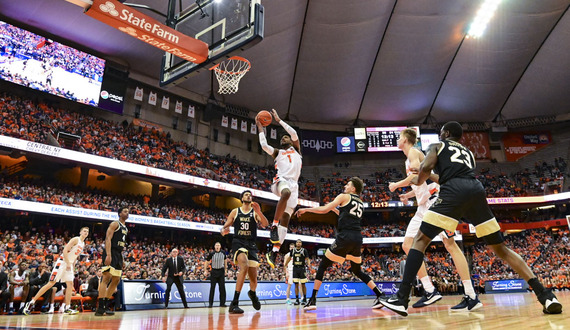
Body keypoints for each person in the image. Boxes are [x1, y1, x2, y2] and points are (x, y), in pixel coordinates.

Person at [380, 121, 563, 316]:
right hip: (476, 190)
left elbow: (423, 176)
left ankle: (402, 298)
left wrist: (413, 177)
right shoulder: (468, 153)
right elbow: (444, 177)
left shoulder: (437, 146)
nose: (440, 135)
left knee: (420, 240)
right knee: (501, 249)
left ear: (447, 133)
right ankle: (545, 295)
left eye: (442, 132)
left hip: (452, 193)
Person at [388, 128, 480, 311]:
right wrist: (408, 195)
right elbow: (420, 182)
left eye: (399, 138)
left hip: (435, 204)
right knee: (407, 245)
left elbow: (417, 173)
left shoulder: (414, 152)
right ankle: (430, 290)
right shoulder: (409, 156)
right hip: (423, 206)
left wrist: (396, 185)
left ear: (405, 140)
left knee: (450, 245)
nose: (397, 140)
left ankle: (471, 294)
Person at [296, 177, 385, 311]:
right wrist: (335, 210)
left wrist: (306, 210)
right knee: (356, 270)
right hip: (357, 238)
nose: (345, 186)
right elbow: (346, 215)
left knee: (323, 265)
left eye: (348, 185)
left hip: (345, 236)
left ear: (353, 189)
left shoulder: (344, 196)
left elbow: (324, 209)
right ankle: (380, 294)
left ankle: (313, 300)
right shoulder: (360, 202)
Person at [256, 109, 302, 268]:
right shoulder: (278, 152)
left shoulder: (297, 151)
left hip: (294, 185)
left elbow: (294, 133)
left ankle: (274, 252)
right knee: (286, 193)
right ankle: (273, 225)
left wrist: (279, 120)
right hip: (280, 182)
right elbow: (263, 145)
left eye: (286, 136)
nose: (284, 137)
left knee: (287, 221)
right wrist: (259, 126)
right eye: (282, 137)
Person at [220, 190, 269, 314]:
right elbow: (225, 227)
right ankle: (234, 302)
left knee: (254, 280)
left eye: (250, 195)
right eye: (246, 194)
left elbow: (265, 224)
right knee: (244, 265)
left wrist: (259, 212)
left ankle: (252, 293)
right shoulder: (235, 211)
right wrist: (223, 230)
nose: (248, 196)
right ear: (242, 198)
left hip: (251, 244)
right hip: (239, 242)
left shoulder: (254, 212)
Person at [23, 227, 89, 315]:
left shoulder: (83, 243)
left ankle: (67, 307)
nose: (86, 233)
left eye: (87, 232)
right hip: (62, 262)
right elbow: (65, 250)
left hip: (69, 264)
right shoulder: (75, 239)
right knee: (51, 283)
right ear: (80, 232)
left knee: (70, 284)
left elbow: (75, 256)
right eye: (84, 231)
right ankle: (31, 302)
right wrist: (68, 263)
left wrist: (72, 266)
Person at [95, 206, 129, 316]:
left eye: (128, 212)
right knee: (107, 277)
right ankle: (100, 308)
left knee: (116, 280)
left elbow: (121, 245)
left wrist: (121, 258)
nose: (127, 213)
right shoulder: (115, 224)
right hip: (111, 251)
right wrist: (108, 254)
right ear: (119, 213)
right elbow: (108, 239)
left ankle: (105, 305)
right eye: (125, 211)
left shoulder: (126, 228)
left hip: (118, 254)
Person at [205, 242, 227, 308]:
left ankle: (222, 303)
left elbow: (225, 261)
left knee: (222, 288)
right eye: (216, 245)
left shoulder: (223, 252)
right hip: (214, 271)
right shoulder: (212, 253)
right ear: (214, 247)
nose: (217, 246)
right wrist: (205, 270)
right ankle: (210, 303)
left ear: (220, 246)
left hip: (221, 271)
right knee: (212, 288)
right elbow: (206, 261)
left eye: (218, 245)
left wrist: (225, 270)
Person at [290, 239, 310, 305]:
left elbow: (307, 258)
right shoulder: (293, 250)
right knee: (296, 284)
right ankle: (297, 299)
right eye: (297, 242)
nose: (298, 243)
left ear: (301, 244)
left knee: (303, 284)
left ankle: (304, 298)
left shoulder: (304, 250)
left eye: (299, 242)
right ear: (296, 243)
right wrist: (285, 264)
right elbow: (289, 258)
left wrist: (309, 264)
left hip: (302, 268)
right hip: (295, 268)